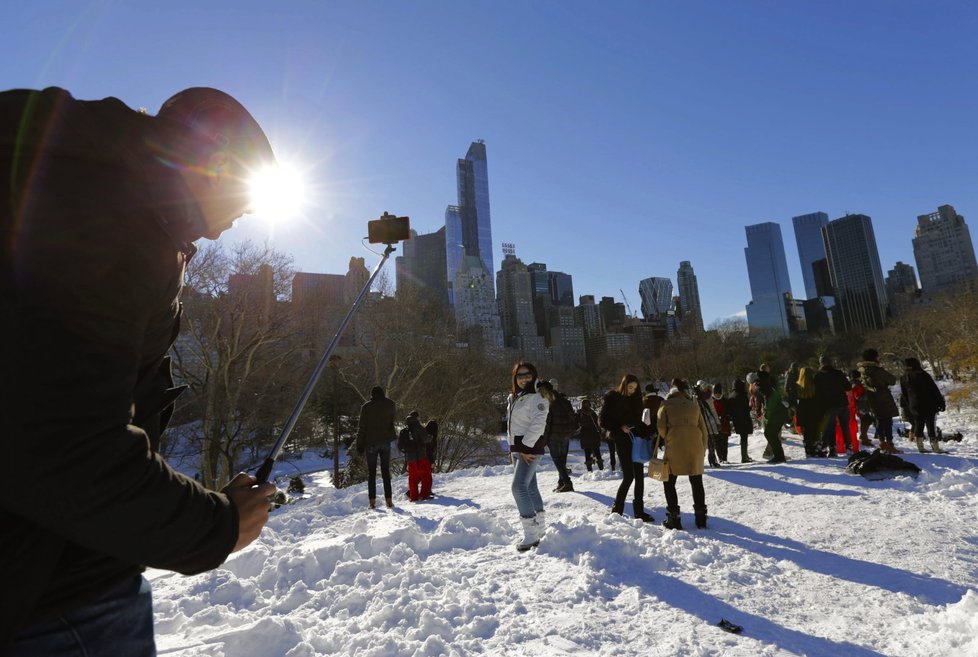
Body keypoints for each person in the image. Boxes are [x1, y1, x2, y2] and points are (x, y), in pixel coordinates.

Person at [1, 86, 278, 654]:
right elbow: (67, 449)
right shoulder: (109, 217)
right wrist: (219, 525)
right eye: (244, 200)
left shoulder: (91, 189)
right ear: (214, 168)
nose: (237, 220)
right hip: (57, 594)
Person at [506, 362, 550, 551]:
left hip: (529, 448)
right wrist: (513, 449)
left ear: (534, 376)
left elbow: (538, 424)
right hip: (518, 448)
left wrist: (524, 447)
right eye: (520, 375)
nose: (524, 378)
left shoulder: (538, 396)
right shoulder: (516, 397)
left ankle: (531, 535)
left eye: (528, 375)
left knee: (518, 487)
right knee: (530, 487)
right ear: (515, 378)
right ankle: (540, 528)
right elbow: (513, 425)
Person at [600, 373, 654, 522]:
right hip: (621, 440)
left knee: (639, 476)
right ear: (624, 385)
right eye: (630, 387)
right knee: (629, 476)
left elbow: (640, 422)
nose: (632, 390)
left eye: (635, 388)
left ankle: (639, 511)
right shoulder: (612, 397)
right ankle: (617, 510)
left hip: (636, 440)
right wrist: (619, 427)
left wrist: (648, 431)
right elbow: (603, 421)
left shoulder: (637, 400)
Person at [657, 379, 709, 529]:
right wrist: (702, 449)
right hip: (695, 446)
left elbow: (661, 428)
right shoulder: (693, 405)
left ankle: (674, 517)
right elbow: (704, 430)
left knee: (669, 480)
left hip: (675, 444)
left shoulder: (665, 405)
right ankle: (701, 518)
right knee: (696, 480)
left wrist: (670, 435)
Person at [357, 386, 398, 509]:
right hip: (385, 442)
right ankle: (389, 500)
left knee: (372, 473)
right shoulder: (391, 404)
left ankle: (372, 502)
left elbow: (362, 427)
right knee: (386, 472)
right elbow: (392, 422)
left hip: (371, 443)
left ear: (372, 394)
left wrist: (359, 444)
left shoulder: (366, 407)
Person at [857, 349, 902, 454]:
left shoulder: (862, 370)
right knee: (887, 420)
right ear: (874, 358)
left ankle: (882, 442)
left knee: (880, 420)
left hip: (871, 399)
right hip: (882, 397)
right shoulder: (877, 370)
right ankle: (889, 443)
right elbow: (892, 380)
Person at [900, 357, 947, 454]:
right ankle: (935, 447)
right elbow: (934, 390)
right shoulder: (923, 375)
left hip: (914, 405)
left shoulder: (904, 377)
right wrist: (941, 403)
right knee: (931, 425)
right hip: (928, 403)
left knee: (918, 424)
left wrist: (909, 405)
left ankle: (920, 447)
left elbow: (904, 394)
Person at [540, 378, 578, 493]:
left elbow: (548, 423)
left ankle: (567, 482)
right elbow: (573, 418)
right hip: (566, 435)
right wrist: (570, 432)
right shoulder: (564, 400)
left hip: (554, 436)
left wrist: (544, 440)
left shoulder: (549, 402)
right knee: (562, 459)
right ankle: (561, 482)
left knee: (557, 459)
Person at [814, 355, 854, 456]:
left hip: (828, 405)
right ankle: (849, 447)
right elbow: (848, 386)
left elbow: (816, 392)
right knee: (845, 426)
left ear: (821, 363)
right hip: (842, 403)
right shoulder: (839, 373)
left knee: (830, 427)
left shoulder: (818, 376)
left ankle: (832, 449)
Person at [399, 411, 433, 502]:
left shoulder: (405, 430)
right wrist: (430, 437)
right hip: (421, 457)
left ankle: (413, 497)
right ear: (416, 419)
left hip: (410, 459)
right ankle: (424, 495)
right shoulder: (419, 428)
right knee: (426, 476)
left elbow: (400, 446)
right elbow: (425, 439)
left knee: (413, 479)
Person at [795, 366, 826, 457]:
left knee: (806, 432)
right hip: (815, 410)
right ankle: (816, 449)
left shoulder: (798, 386)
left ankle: (808, 450)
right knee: (815, 431)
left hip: (803, 411)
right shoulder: (816, 384)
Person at [695, 381, 722, 467]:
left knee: (711, 443)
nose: (707, 389)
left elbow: (713, 411)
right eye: (705, 388)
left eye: (708, 388)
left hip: (710, 423)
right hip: (700, 423)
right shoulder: (696, 398)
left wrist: (718, 422)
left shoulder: (709, 397)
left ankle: (712, 460)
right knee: (700, 445)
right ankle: (699, 461)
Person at [727, 378, 754, 463]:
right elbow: (746, 407)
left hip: (736, 420)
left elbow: (730, 410)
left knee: (743, 438)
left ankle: (745, 455)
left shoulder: (731, 395)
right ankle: (744, 457)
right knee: (744, 438)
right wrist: (751, 407)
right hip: (744, 419)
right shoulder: (742, 395)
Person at [577, 399, 605, 471]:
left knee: (587, 451)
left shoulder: (579, 414)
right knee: (597, 450)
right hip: (593, 434)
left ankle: (589, 470)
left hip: (584, 435)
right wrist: (600, 432)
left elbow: (577, 424)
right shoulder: (592, 413)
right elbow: (597, 423)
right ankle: (601, 469)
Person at [711, 382, 732, 464]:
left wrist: (726, 416)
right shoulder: (711, 401)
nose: (717, 395)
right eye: (716, 394)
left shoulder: (725, 401)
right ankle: (720, 458)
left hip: (725, 424)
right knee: (717, 442)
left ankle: (725, 458)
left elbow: (729, 411)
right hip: (715, 425)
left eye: (719, 394)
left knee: (724, 442)